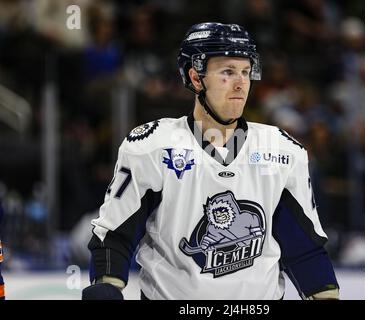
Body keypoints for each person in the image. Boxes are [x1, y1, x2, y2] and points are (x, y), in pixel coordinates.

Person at [82, 22, 339, 300]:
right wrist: (106, 285)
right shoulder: (152, 146)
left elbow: (304, 248)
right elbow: (115, 236)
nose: (241, 82)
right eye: (228, 72)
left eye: (245, 71)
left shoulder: (281, 150)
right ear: (195, 78)